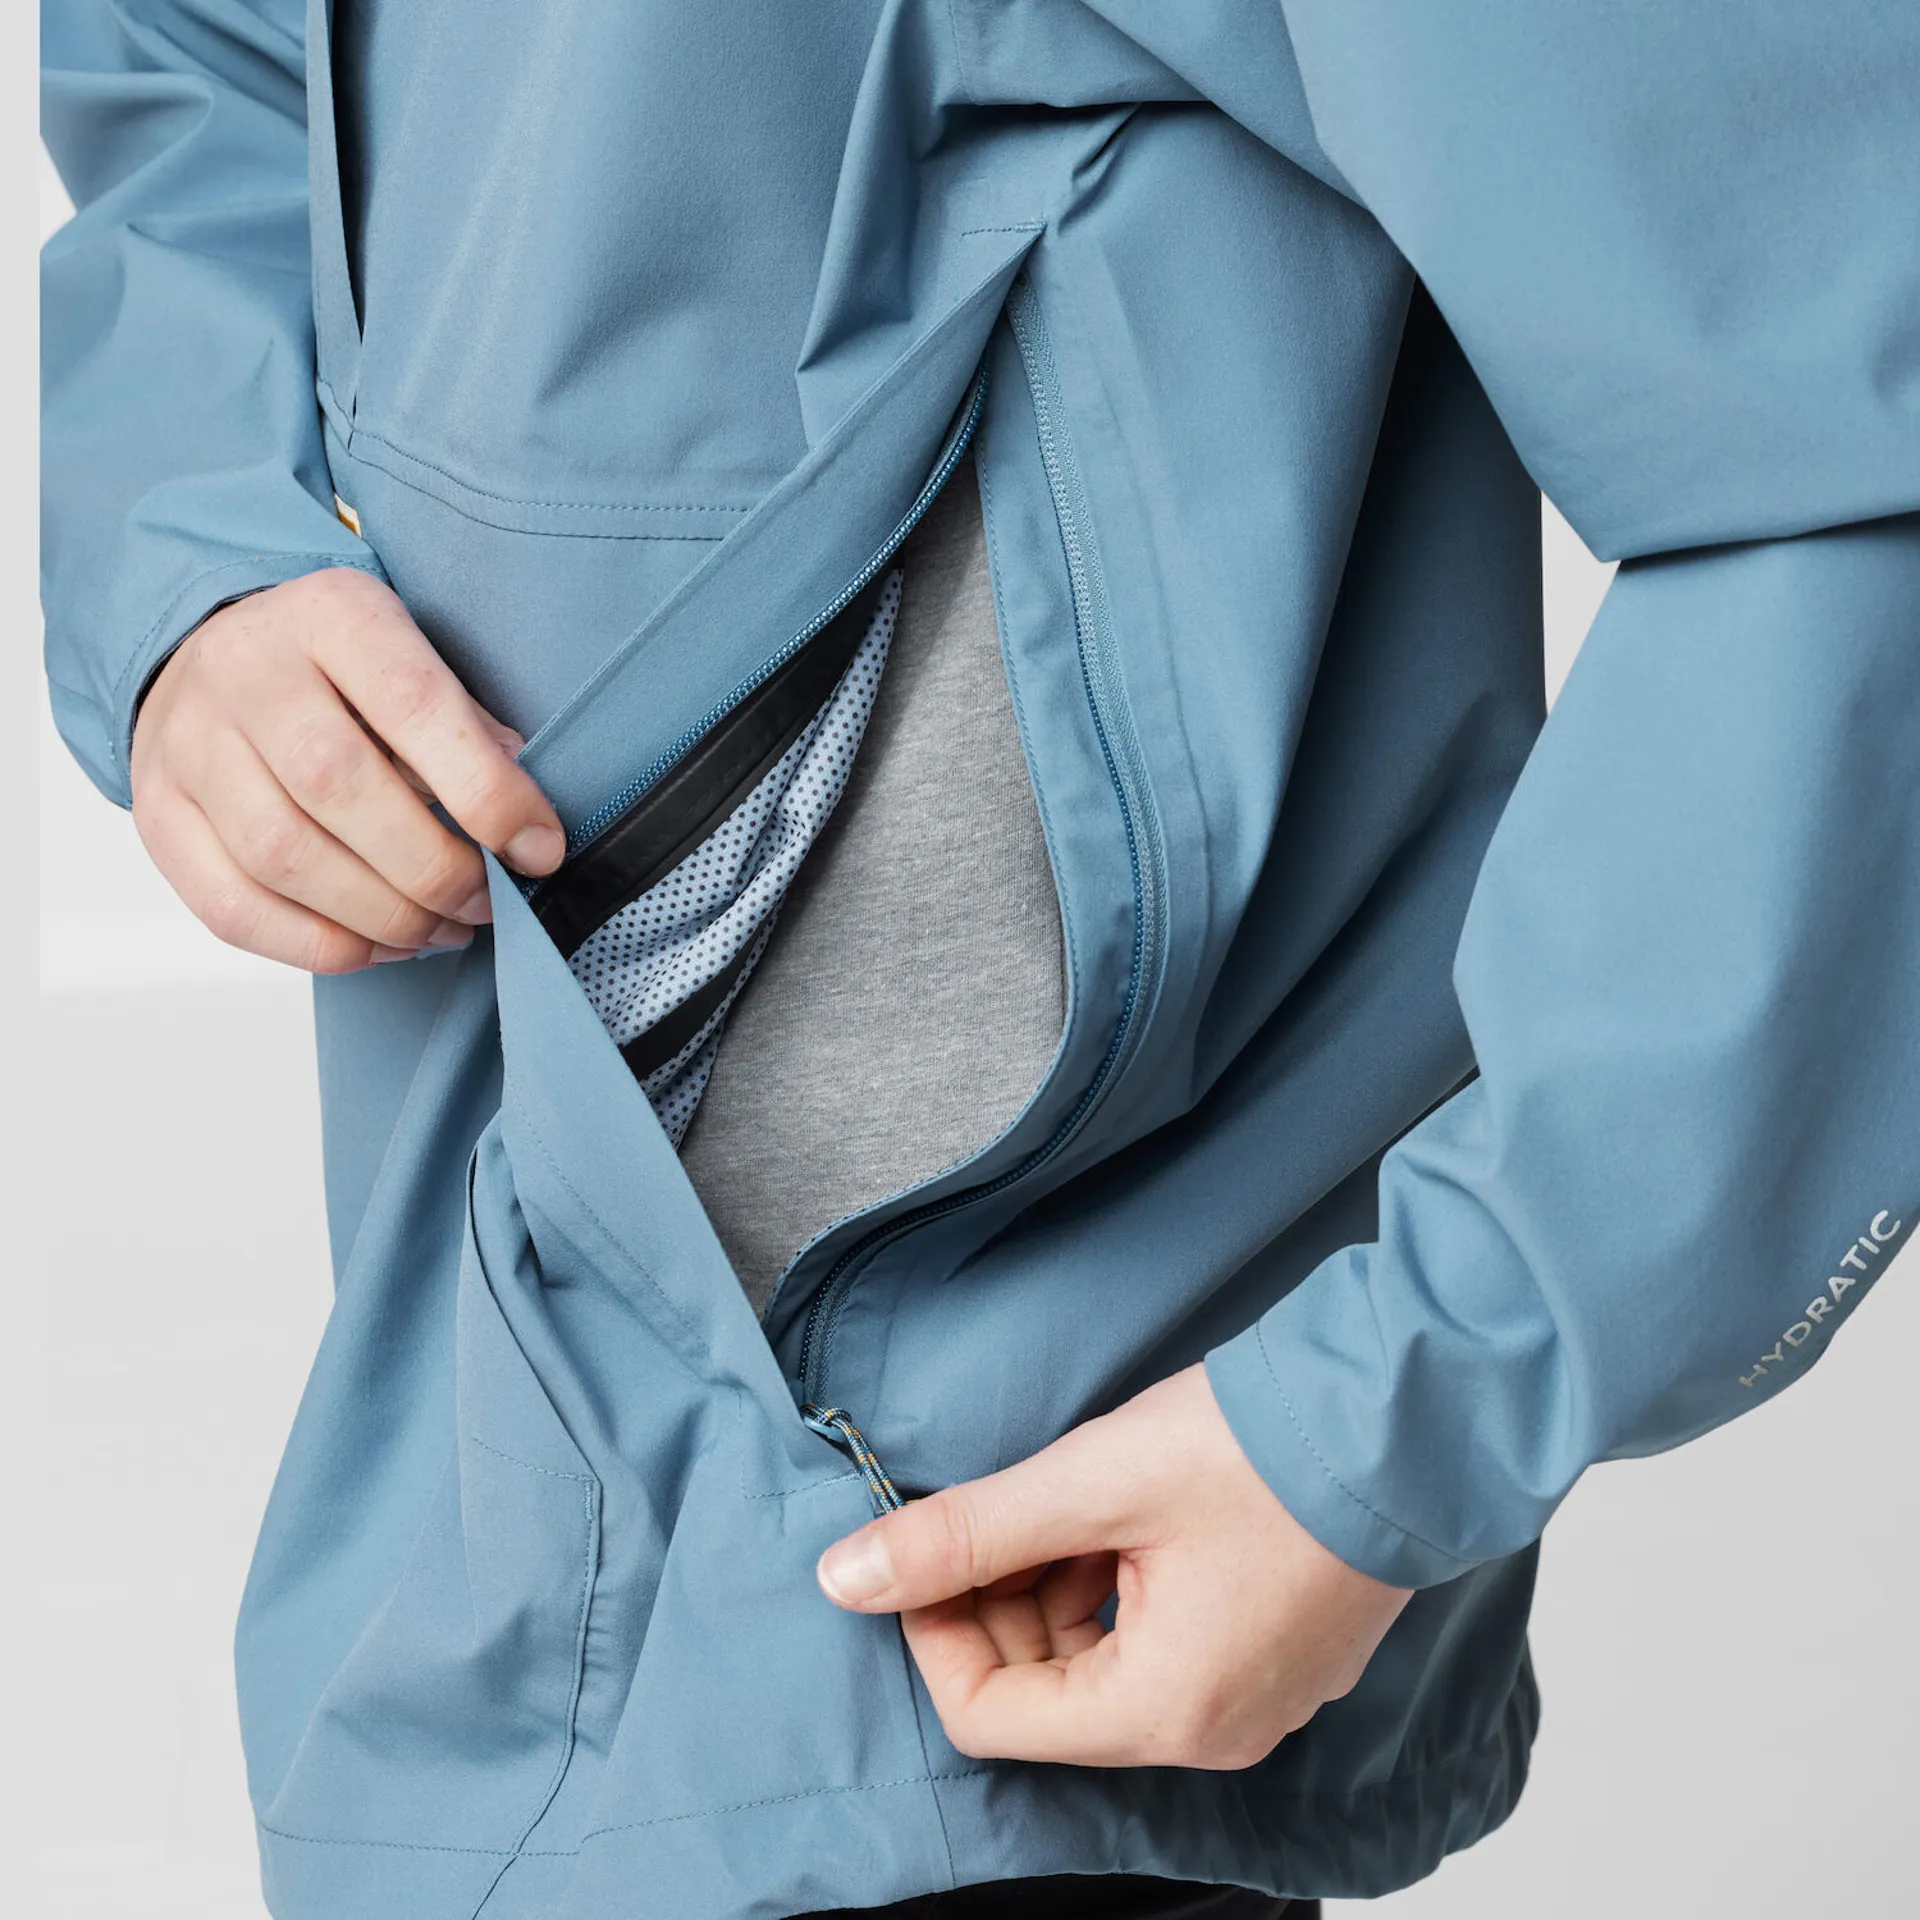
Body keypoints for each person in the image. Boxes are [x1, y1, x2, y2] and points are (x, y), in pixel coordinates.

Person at [40, 3, 1918, 1917]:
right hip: (470, 1486)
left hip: (995, 1589)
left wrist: (1424, 1384)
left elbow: (1847, 415)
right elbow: (197, 60)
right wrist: (194, 558)